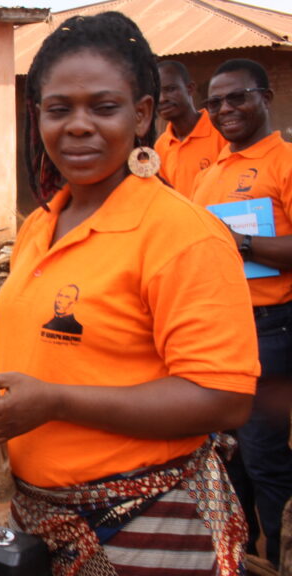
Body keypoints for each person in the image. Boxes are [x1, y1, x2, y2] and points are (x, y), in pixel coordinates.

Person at [0, 13, 259, 575]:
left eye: (103, 106)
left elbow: (223, 398)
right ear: (37, 116)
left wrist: (55, 403)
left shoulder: (181, 234)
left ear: (142, 115)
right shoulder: (40, 226)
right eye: (59, 108)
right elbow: (45, 360)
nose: (78, 125)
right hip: (41, 520)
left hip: (146, 524)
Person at [191, 58, 292, 570]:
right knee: (227, 459)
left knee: (265, 457)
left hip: (270, 331)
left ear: (266, 96)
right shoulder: (210, 176)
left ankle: (278, 559)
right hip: (217, 331)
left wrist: (243, 243)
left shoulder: (285, 162)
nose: (225, 109)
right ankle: (239, 556)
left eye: (237, 97)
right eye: (214, 102)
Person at [153, 60, 227, 199]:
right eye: (156, 93)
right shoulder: (161, 146)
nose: (162, 99)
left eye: (170, 89)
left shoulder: (221, 132)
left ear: (190, 88)